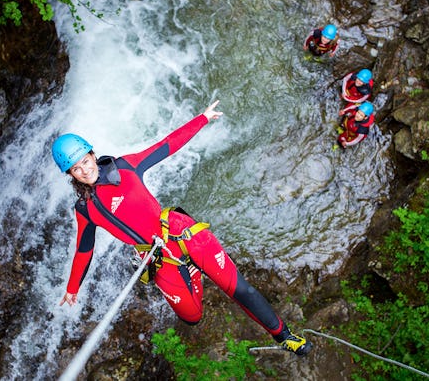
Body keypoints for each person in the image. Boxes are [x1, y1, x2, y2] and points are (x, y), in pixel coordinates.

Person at [52, 101, 312, 356]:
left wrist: (202, 119)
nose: (85, 170)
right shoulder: (84, 209)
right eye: (77, 169)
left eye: (86, 161)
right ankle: (193, 272)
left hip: (180, 232)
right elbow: (84, 250)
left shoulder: (126, 166)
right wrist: (73, 288)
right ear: (71, 175)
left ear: (93, 155)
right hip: (157, 257)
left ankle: (284, 336)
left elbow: (165, 146)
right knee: (192, 317)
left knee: (239, 289)